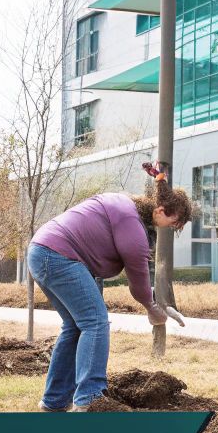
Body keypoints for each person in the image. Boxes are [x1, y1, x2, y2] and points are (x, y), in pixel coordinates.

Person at [26, 165, 192, 411]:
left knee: (74, 326)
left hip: (41, 251)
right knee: (95, 321)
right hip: (58, 255)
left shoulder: (123, 205)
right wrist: (152, 308)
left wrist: (159, 303)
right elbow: (138, 280)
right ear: (160, 210)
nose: (171, 227)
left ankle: (55, 401)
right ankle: (90, 399)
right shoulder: (131, 225)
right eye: (174, 222)